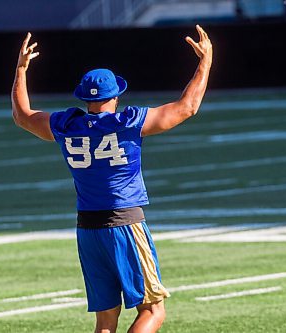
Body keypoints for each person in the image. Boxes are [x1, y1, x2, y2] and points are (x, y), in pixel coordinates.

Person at [11, 25, 212, 333]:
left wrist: (21, 70)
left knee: (105, 320)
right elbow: (188, 107)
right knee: (153, 311)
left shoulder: (67, 125)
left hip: (87, 229)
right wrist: (206, 61)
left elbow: (22, 115)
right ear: (116, 95)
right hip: (125, 223)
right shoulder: (127, 122)